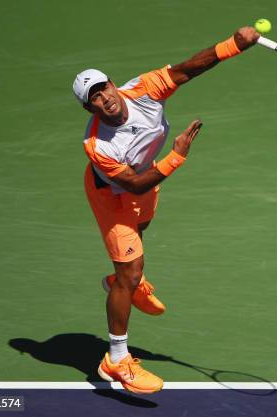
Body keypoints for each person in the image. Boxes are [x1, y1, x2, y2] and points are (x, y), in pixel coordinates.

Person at [72, 27, 259, 394]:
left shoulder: (143, 88)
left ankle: (124, 282)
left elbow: (189, 68)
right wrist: (177, 156)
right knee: (129, 270)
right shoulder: (98, 145)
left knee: (140, 235)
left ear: (112, 84)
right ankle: (116, 359)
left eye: (103, 88)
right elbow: (133, 185)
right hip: (113, 195)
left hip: (146, 174)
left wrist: (235, 44)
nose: (104, 99)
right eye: (94, 98)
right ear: (88, 107)